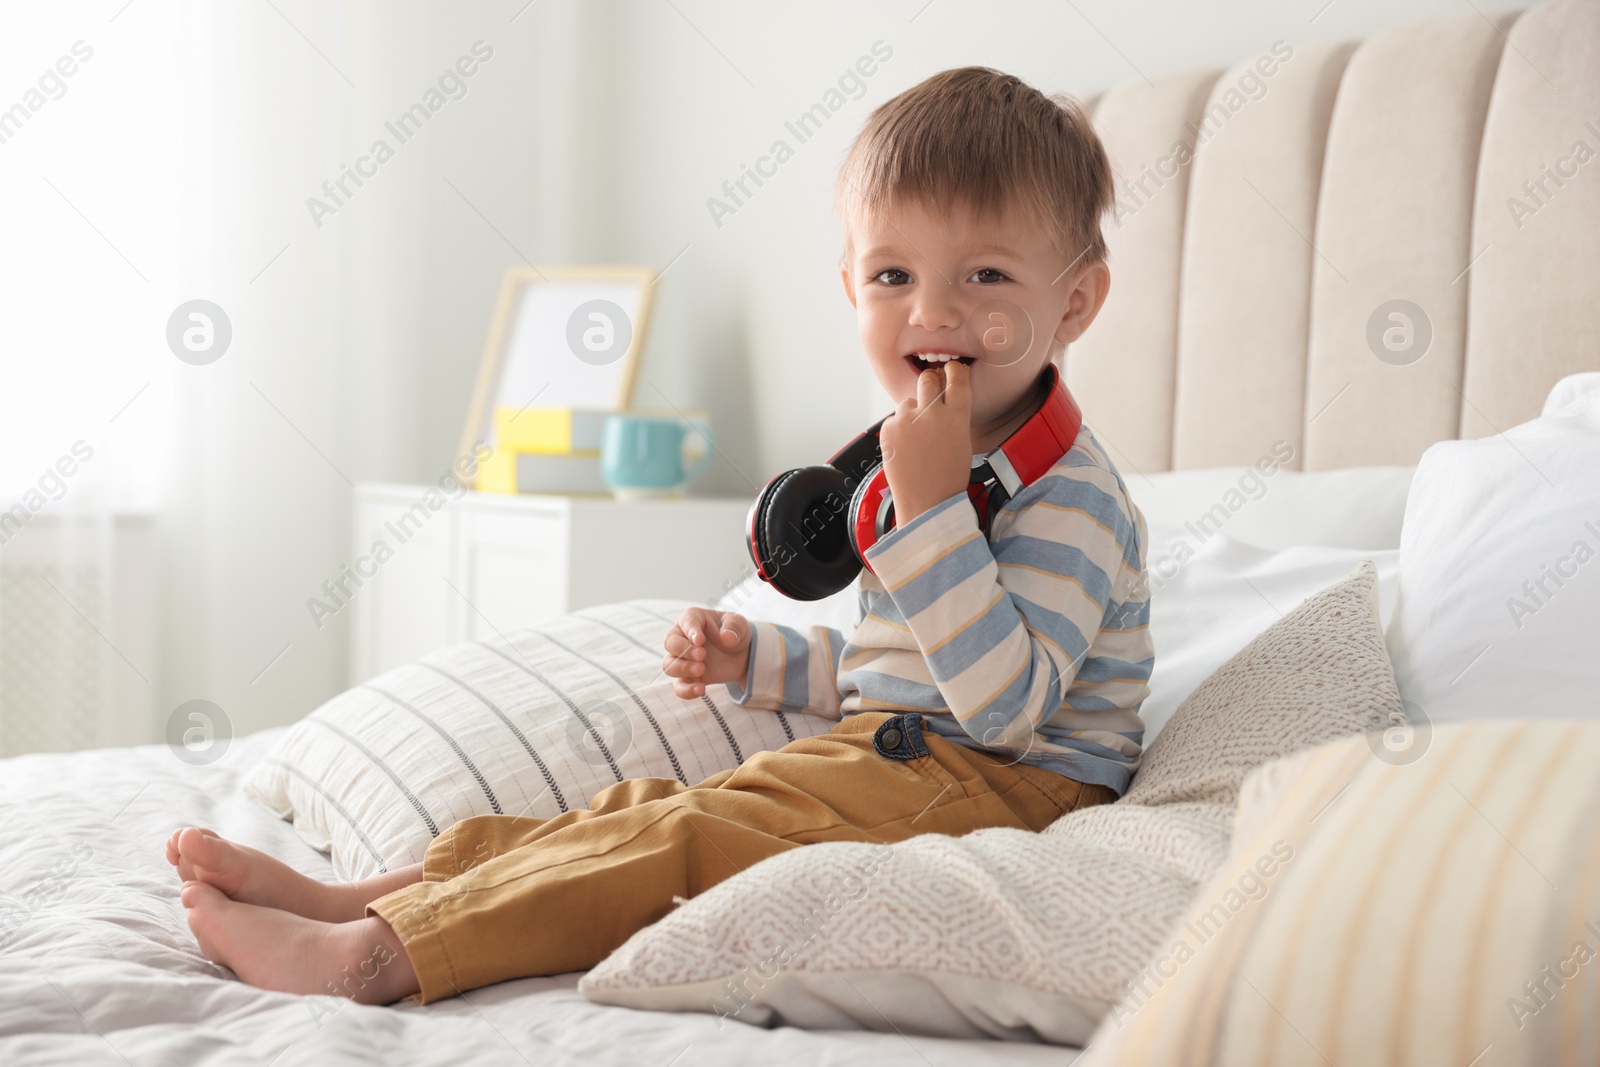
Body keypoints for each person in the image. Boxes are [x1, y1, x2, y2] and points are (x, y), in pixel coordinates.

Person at [166, 65, 1153, 1007]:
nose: (932, 310)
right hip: (897, 750)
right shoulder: (921, 465)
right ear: (852, 287)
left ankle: (379, 955)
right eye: (894, 273)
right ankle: (370, 896)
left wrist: (933, 512)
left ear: (1073, 302)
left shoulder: (1071, 498)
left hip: (1009, 787)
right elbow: (899, 668)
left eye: (984, 274)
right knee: (635, 808)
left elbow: (1005, 707)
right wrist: (757, 656)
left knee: (685, 841)